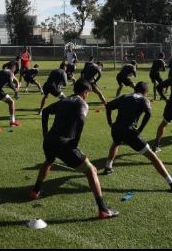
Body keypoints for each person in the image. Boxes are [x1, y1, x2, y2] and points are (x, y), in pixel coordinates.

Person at [30, 80, 120, 220]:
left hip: (49, 141)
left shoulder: (65, 100)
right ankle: (103, 210)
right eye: (88, 93)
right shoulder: (81, 103)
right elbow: (81, 119)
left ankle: (35, 191)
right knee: (91, 170)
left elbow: (46, 111)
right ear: (85, 92)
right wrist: (75, 141)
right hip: (64, 144)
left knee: (49, 161)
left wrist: (45, 134)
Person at [102, 81, 172, 192]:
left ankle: (108, 167)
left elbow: (108, 106)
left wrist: (110, 123)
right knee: (152, 156)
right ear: (146, 92)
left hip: (116, 129)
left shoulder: (125, 96)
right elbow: (148, 113)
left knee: (116, 143)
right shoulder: (143, 99)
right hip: (130, 132)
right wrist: (140, 130)